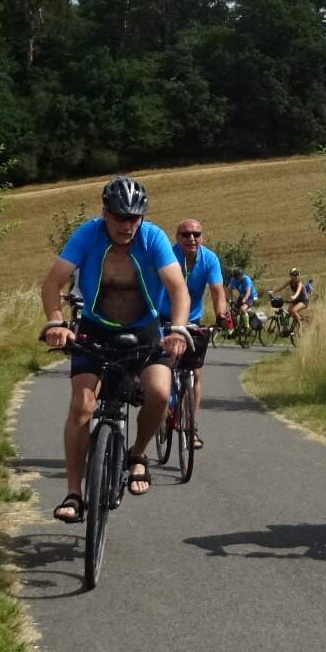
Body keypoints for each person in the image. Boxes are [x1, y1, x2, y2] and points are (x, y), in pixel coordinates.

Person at [39, 176, 191, 522]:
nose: (127, 225)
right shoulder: (87, 235)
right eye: (120, 216)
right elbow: (52, 283)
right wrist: (55, 322)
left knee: (158, 391)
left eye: (134, 217)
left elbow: (177, 289)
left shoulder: (152, 238)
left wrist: (178, 330)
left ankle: (137, 455)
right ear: (104, 213)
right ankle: (75, 493)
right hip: (96, 329)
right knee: (81, 405)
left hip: (144, 329)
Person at [171, 218, 229, 450]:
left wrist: (221, 316)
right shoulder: (168, 255)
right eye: (185, 234)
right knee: (161, 369)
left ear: (202, 237)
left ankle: (191, 426)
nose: (191, 238)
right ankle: (163, 410)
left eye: (196, 234)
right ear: (177, 237)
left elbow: (217, 292)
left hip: (192, 319)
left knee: (194, 374)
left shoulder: (209, 259)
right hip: (164, 316)